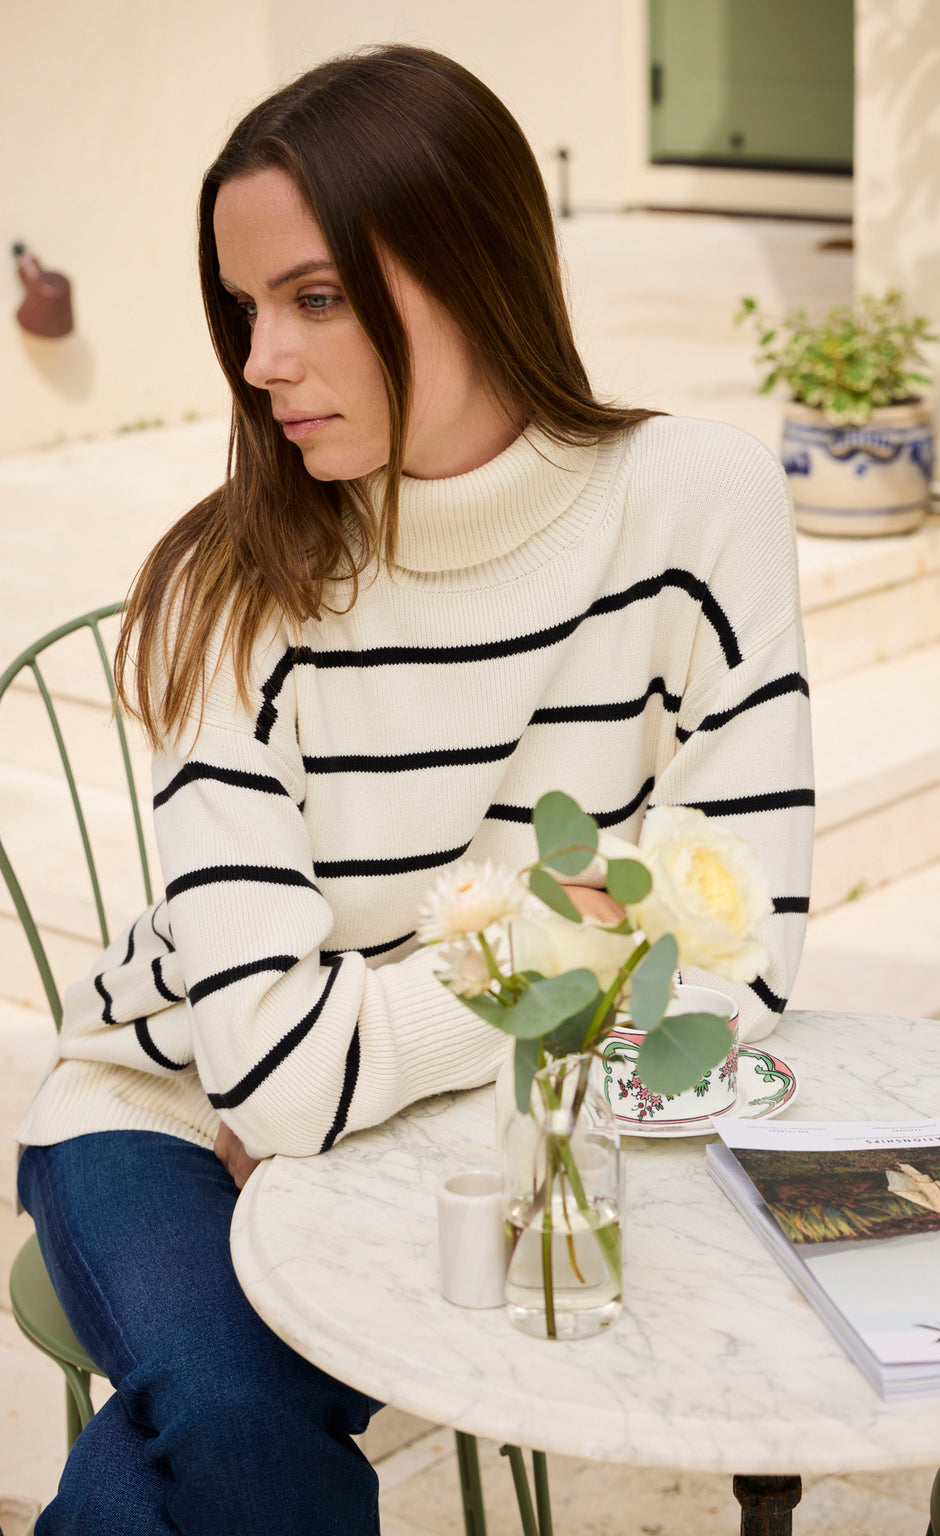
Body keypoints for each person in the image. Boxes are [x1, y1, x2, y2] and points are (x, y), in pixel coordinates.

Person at [15, 43, 814, 1535]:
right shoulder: (230, 589)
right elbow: (259, 1076)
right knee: (244, 1416)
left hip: (469, 1134)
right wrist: (574, 939)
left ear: (475, 266)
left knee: (149, 1492)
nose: (261, 361)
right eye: (245, 309)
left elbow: (743, 953)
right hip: (160, 1113)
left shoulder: (695, 505)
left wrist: (367, 1040)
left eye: (314, 298)